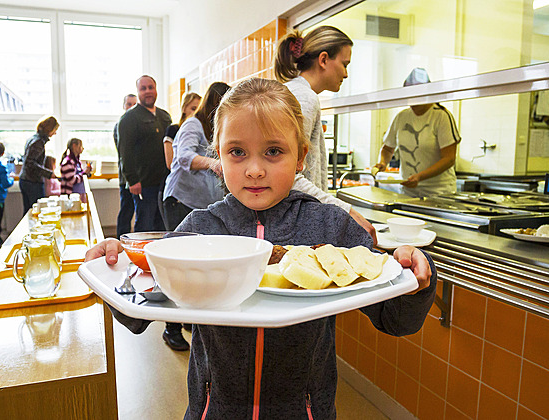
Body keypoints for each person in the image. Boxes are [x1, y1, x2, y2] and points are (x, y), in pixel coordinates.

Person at [85, 78, 436, 418]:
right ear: (218, 157)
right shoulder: (198, 230)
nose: (254, 170)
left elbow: (396, 319)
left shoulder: (333, 228)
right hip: (213, 411)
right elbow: (136, 314)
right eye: (237, 152)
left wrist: (416, 277)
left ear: (300, 157)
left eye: (273, 151)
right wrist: (118, 268)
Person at [274, 26, 377, 243]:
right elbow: (286, 175)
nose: (346, 74)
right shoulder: (303, 98)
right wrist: (347, 212)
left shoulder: (298, 93)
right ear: (323, 60)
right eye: (344, 64)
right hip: (297, 221)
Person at [160, 83, 228, 351]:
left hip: (199, 204)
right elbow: (184, 156)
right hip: (180, 200)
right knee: (177, 265)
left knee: (196, 266)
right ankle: (171, 328)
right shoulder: (193, 124)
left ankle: (186, 317)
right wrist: (213, 163)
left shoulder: (214, 131)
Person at [373, 68, 461, 197]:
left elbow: (449, 159)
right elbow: (387, 148)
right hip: (407, 192)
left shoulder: (441, 116)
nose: (411, 100)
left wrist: (420, 177)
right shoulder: (401, 117)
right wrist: (382, 162)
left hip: (439, 193)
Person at [117, 76, 171, 232]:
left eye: (150, 87)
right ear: (138, 92)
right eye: (143, 88)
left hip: (164, 182)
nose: (148, 91)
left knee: (162, 227)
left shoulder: (164, 116)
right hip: (143, 184)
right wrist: (132, 180)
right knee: (145, 227)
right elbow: (125, 152)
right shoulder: (129, 119)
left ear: (156, 89)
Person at [19, 116, 59, 215]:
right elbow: (30, 163)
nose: (55, 133)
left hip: (25, 180)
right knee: (37, 212)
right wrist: (49, 174)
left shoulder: (33, 138)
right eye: (55, 130)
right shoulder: (38, 142)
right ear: (50, 129)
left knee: (29, 212)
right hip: (32, 182)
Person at [114, 94, 138, 238]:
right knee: (126, 211)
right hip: (126, 178)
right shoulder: (121, 125)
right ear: (124, 106)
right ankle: (119, 243)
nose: (131, 107)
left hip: (138, 178)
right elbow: (126, 153)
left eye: (134, 104)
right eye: (129, 104)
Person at [163, 92, 201, 169]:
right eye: (193, 109)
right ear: (184, 109)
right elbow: (170, 163)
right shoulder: (173, 129)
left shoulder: (201, 131)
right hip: (179, 176)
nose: (196, 113)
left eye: (199, 110)